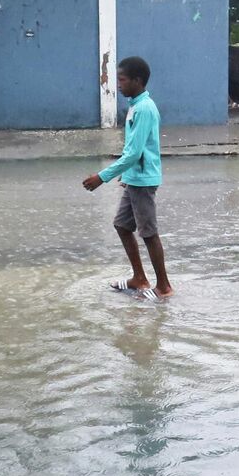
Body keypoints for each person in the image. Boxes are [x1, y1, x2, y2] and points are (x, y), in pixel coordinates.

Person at [83, 56, 172, 298]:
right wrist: (126, 174)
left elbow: (134, 153)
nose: (118, 84)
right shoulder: (135, 104)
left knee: (149, 232)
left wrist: (102, 177)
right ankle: (139, 278)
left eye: (122, 80)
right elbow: (132, 149)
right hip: (135, 178)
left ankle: (163, 287)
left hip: (143, 181)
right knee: (122, 225)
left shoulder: (144, 108)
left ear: (137, 80)